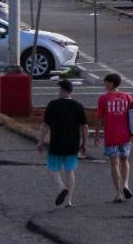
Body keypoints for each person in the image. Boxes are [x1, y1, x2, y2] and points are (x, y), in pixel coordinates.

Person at [38, 79, 89, 207]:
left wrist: (40, 141)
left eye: (59, 89)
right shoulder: (78, 106)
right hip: (73, 143)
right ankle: (69, 201)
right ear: (71, 91)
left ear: (62, 90)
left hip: (57, 142)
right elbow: (84, 127)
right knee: (69, 170)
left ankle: (61, 188)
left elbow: (45, 125)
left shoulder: (53, 105)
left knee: (52, 168)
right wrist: (84, 143)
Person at [94, 73, 133, 202]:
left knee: (114, 163)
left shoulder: (103, 99)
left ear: (111, 83)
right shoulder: (127, 97)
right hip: (125, 134)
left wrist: (97, 135)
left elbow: (99, 118)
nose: (104, 84)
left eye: (105, 82)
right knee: (125, 160)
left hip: (111, 135)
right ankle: (126, 184)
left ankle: (118, 193)